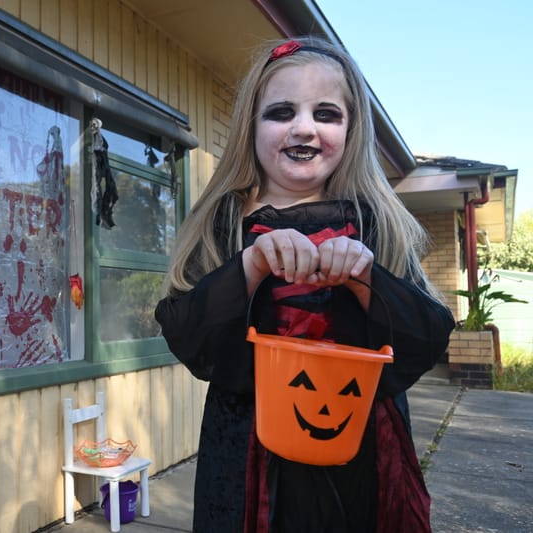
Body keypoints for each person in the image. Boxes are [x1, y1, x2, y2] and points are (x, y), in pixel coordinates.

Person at [154, 36, 455, 532]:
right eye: (281, 111)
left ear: (351, 130)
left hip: (363, 451)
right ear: (252, 126)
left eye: (326, 114)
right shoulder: (224, 220)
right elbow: (188, 335)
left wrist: (364, 277)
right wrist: (250, 266)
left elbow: (427, 335)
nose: (303, 128)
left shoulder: (376, 221)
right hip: (248, 452)